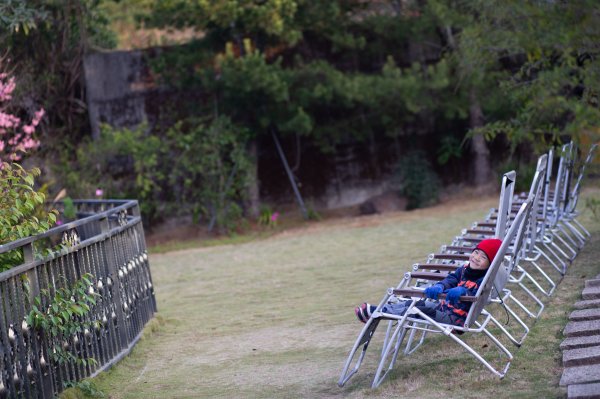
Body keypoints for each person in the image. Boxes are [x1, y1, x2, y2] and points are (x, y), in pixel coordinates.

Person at [355, 238, 502, 327]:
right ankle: (377, 311)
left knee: (417, 310)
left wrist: (464, 292)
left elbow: (477, 294)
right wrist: (440, 286)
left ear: (489, 264)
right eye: (476, 252)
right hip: (444, 307)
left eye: (483, 257)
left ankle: (376, 312)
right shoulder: (464, 269)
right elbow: (451, 279)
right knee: (414, 303)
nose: (476, 258)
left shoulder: (484, 280)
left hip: (455, 319)